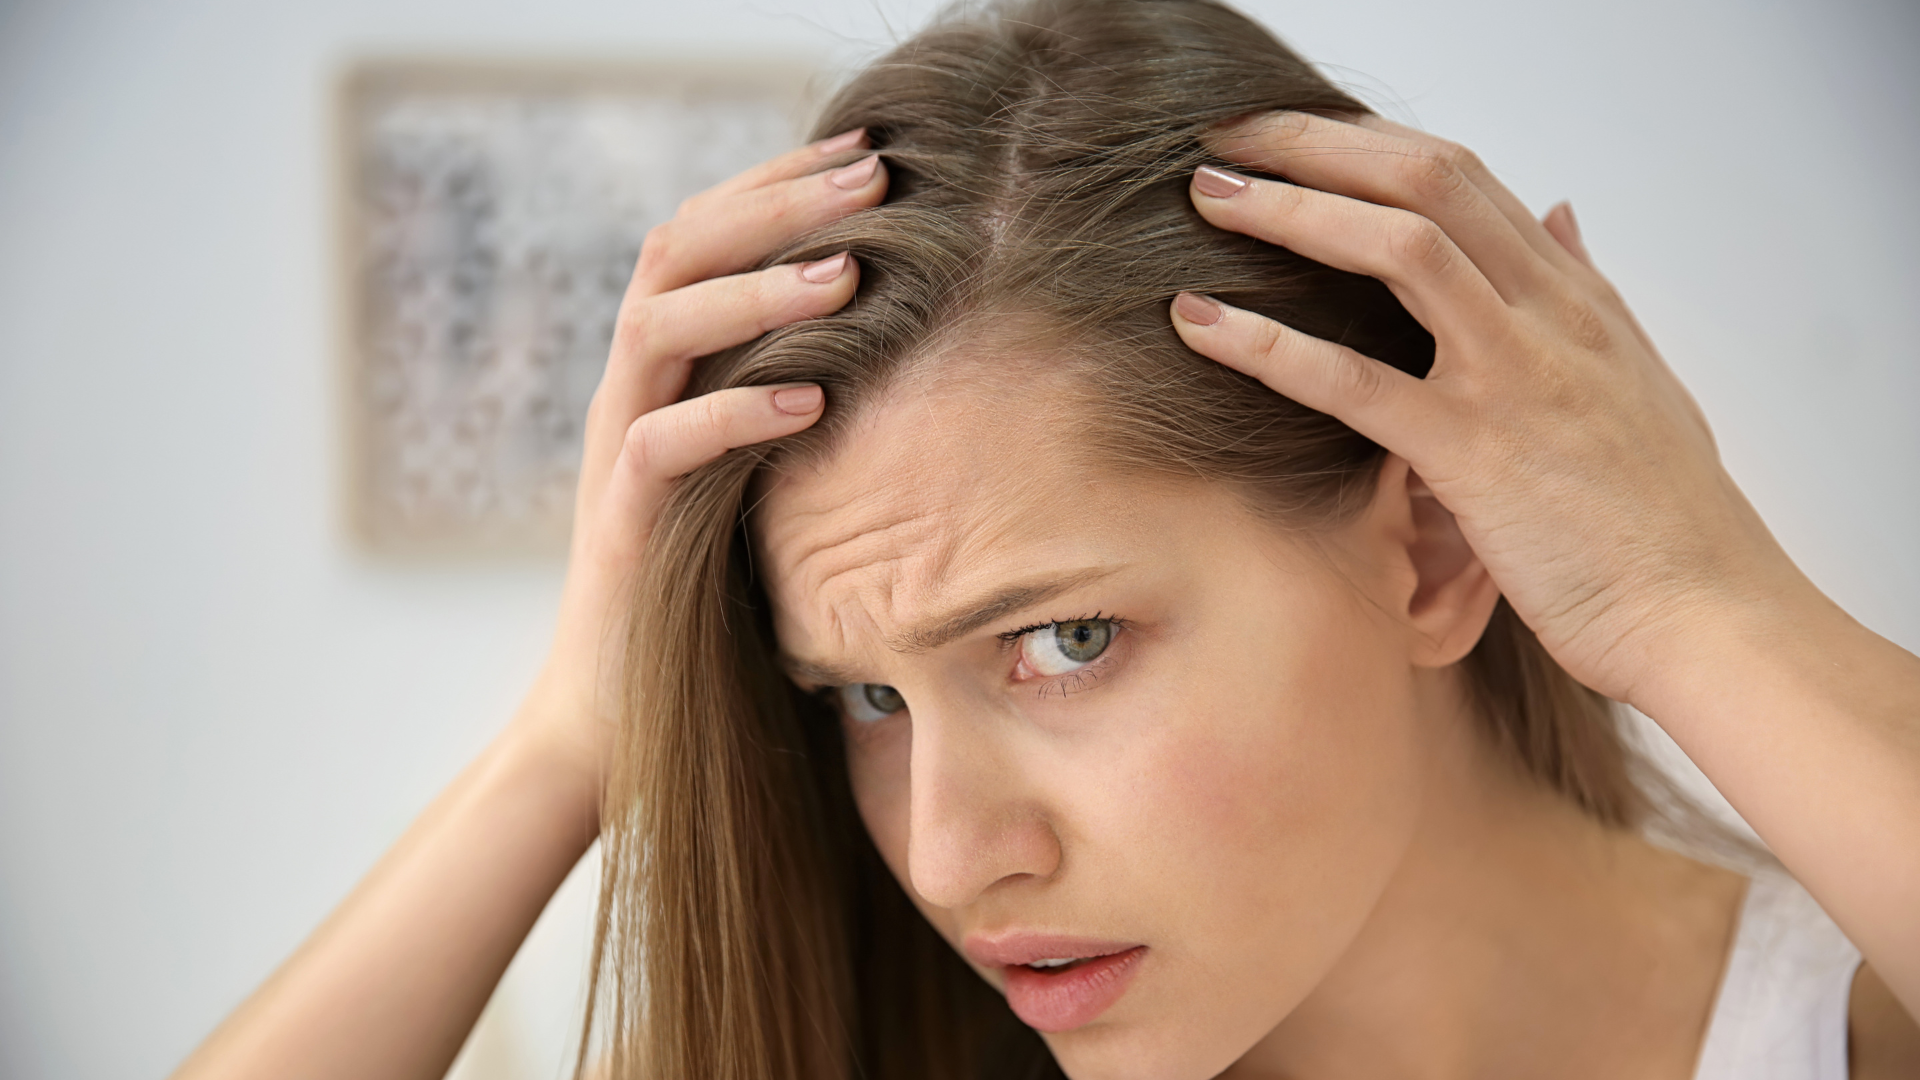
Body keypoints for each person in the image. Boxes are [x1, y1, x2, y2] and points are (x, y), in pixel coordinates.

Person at [170, 1, 1920, 1078]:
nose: (944, 859)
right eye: (865, 700)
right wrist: (567, 743)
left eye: (1064, 641)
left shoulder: (1837, 1032)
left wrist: (1698, 602)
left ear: (1440, 550)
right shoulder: (856, 1044)